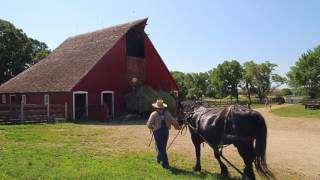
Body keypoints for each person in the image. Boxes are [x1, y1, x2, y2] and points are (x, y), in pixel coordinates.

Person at [147, 99, 181, 169]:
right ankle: (159, 159)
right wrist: (178, 127)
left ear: (156, 107)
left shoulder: (154, 114)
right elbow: (174, 121)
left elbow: (149, 124)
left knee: (161, 148)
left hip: (157, 132)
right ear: (163, 107)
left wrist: (153, 127)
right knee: (162, 147)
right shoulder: (168, 113)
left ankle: (166, 164)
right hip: (166, 132)